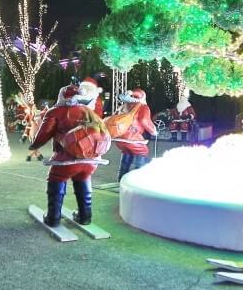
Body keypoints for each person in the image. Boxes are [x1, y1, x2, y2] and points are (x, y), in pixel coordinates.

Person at [28, 84, 110, 227]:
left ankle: (53, 217)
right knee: (83, 180)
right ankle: (85, 216)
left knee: (56, 179)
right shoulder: (88, 111)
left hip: (66, 158)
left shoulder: (55, 112)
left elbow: (43, 135)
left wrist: (34, 145)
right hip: (91, 159)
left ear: (62, 95)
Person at [107, 88, 157, 181]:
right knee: (143, 152)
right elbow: (144, 121)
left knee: (127, 153)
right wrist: (153, 131)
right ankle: (139, 179)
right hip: (132, 138)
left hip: (119, 138)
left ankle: (121, 178)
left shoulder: (123, 106)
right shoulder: (142, 107)